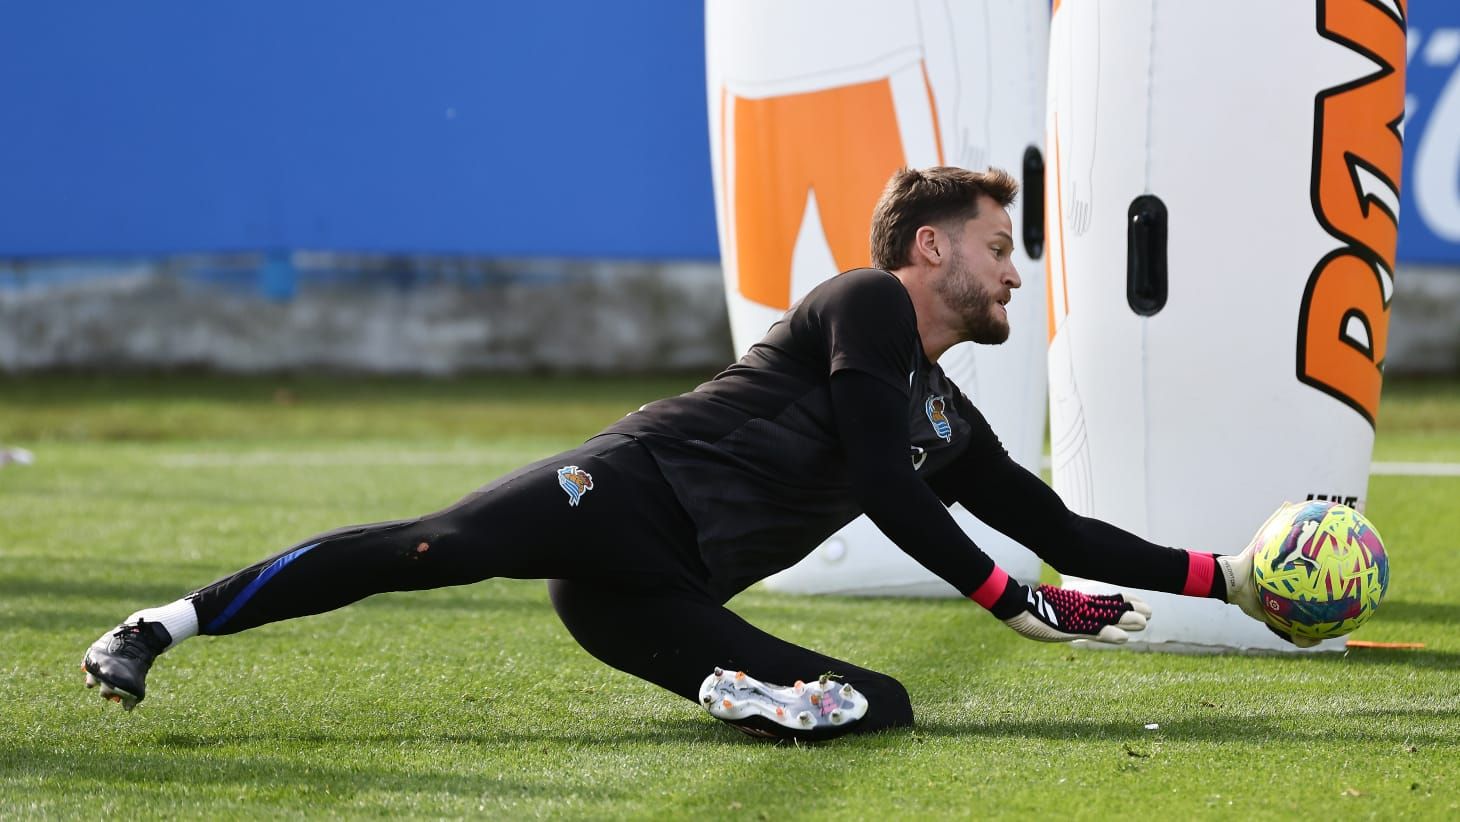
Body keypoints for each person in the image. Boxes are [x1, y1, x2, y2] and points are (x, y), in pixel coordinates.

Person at [82, 166, 1277, 741]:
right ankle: (157, 628)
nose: (1016, 269)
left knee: (879, 710)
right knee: (427, 547)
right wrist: (1004, 596)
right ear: (928, 250)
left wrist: (1226, 578)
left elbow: (1057, 526)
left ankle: (727, 686)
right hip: (617, 495)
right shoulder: (861, 301)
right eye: (999, 245)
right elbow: (875, 482)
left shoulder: (940, 414)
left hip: (650, 600)